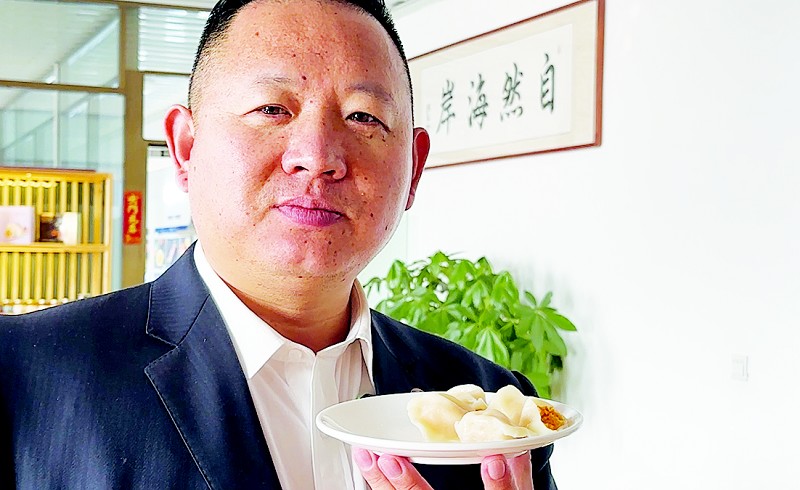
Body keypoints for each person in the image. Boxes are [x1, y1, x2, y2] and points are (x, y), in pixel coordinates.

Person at [0, 0, 558, 488]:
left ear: (413, 169)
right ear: (186, 148)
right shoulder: (22, 376)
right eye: (272, 109)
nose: (317, 157)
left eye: (363, 116)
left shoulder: (495, 406)